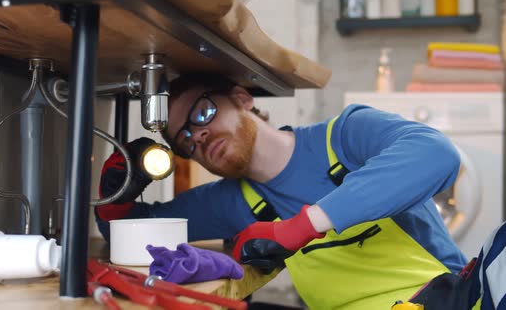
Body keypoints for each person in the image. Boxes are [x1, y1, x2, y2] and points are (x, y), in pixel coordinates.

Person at [95, 73, 505, 310]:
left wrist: (302, 226)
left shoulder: (344, 137)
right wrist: (117, 189)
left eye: (203, 112)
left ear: (242, 98)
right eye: (185, 139)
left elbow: (436, 154)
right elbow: (132, 234)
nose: (198, 134)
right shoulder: (232, 200)